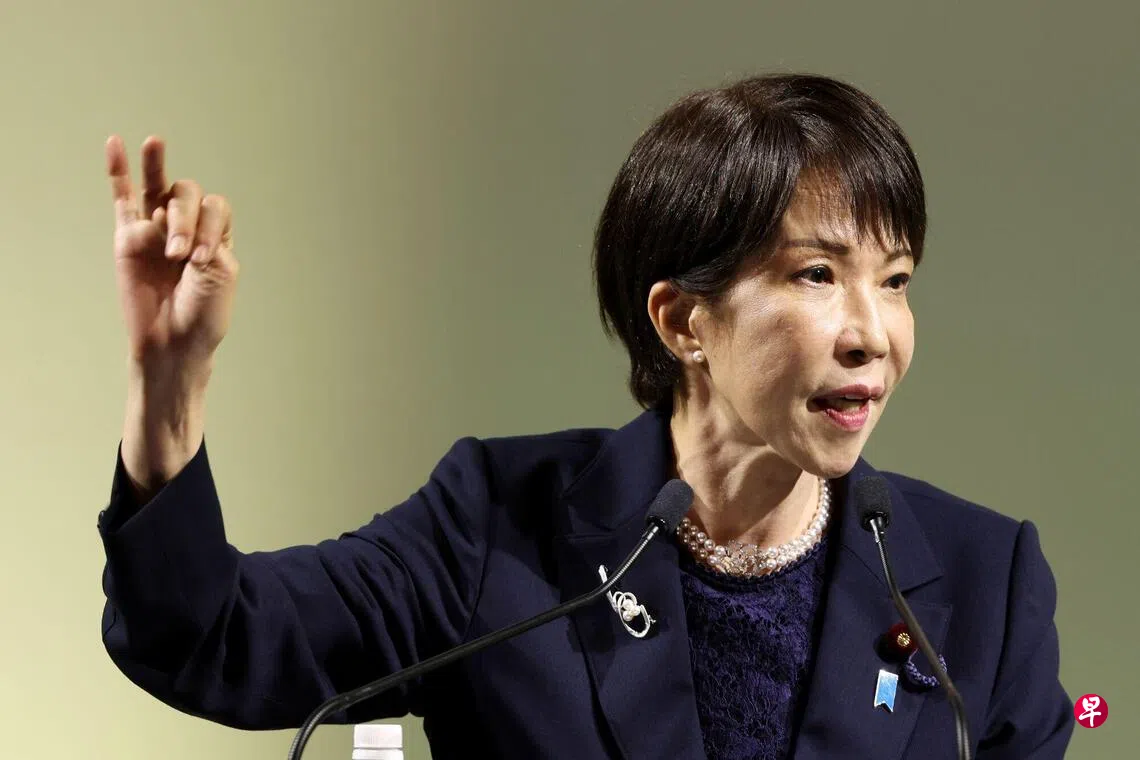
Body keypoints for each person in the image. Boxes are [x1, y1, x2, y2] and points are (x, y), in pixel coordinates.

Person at [96, 73, 1074, 759]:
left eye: (895, 281)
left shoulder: (984, 583)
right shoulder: (495, 527)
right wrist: (171, 382)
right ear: (682, 321)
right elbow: (209, 641)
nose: (873, 334)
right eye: (818, 274)